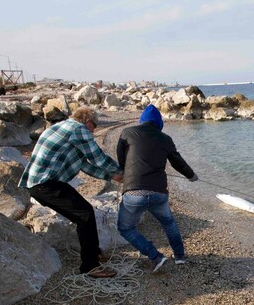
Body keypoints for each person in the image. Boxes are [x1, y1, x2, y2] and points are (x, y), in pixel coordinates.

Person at [19, 107, 123, 278]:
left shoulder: (62, 127)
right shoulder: (78, 129)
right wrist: (121, 171)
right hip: (44, 184)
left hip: (43, 183)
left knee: (85, 210)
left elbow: (85, 164)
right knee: (85, 215)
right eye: (94, 126)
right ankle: (90, 267)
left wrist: (112, 176)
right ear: (88, 121)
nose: (93, 131)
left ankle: (94, 252)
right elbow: (97, 157)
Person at [116, 104, 198, 273]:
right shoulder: (165, 139)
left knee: (126, 228)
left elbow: (121, 158)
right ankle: (180, 256)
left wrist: (126, 173)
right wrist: (191, 176)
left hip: (134, 192)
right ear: (159, 122)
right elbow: (177, 162)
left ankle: (155, 256)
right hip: (158, 193)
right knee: (169, 223)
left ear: (142, 120)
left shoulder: (127, 133)